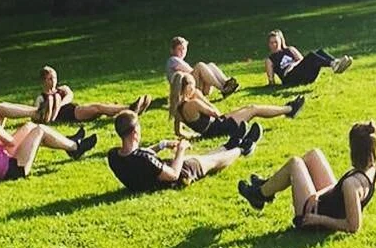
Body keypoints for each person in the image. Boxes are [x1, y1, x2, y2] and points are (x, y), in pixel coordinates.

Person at [239, 120, 376, 234]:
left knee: (295, 163)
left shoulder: (351, 185)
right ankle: (268, 186)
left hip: (313, 218)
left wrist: (317, 219)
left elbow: (353, 226)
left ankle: (260, 194)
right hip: (328, 204)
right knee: (314, 154)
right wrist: (318, 194)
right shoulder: (373, 169)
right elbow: (340, 191)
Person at [0, 90, 96, 181]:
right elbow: (10, 143)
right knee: (40, 130)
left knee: (30, 126)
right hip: (12, 171)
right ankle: (75, 147)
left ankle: (67, 141)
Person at [106, 109, 250, 194]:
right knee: (210, 161)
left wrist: (162, 145)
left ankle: (230, 144)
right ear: (135, 133)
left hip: (157, 175)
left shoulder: (114, 156)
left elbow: (136, 155)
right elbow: (174, 175)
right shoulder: (144, 159)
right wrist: (181, 149)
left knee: (200, 157)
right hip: (179, 176)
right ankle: (242, 148)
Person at [173, 78, 303, 144]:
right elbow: (216, 112)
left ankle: (287, 109)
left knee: (249, 107)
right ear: (187, 88)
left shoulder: (176, 109)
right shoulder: (194, 103)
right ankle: (289, 109)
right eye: (193, 86)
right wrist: (201, 97)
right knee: (254, 109)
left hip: (212, 128)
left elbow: (178, 132)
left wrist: (197, 136)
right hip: (219, 127)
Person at [34, 64, 151, 126]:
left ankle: (131, 110)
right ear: (43, 81)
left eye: (54, 77)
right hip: (72, 115)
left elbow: (70, 95)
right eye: (50, 78)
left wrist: (58, 104)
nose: (53, 81)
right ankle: (131, 109)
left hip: (75, 109)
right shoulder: (41, 98)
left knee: (102, 107)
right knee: (98, 108)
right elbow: (35, 115)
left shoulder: (62, 89)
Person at [165, 37, 239, 129]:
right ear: (172, 50)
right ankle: (223, 88)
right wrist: (204, 72)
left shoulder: (180, 60)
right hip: (187, 89)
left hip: (195, 88)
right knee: (200, 66)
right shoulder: (173, 60)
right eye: (179, 49)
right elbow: (189, 71)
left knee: (210, 65)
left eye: (184, 49)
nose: (182, 51)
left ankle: (225, 83)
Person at [265, 29, 352, 89]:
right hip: (290, 77)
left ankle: (336, 62)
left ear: (281, 41)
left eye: (276, 42)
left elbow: (303, 61)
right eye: (271, 43)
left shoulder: (290, 49)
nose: (274, 45)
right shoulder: (270, 59)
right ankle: (334, 65)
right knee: (312, 56)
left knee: (319, 52)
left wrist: (295, 64)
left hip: (303, 73)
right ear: (268, 44)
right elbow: (271, 82)